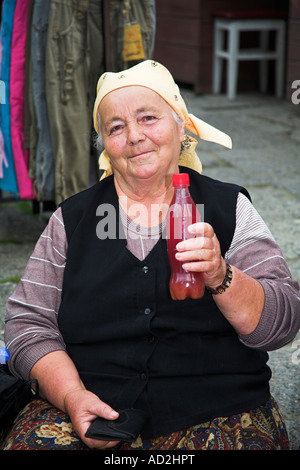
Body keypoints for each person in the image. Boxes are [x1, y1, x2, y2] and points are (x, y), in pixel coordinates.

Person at [1, 60, 300, 451]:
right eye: (116, 127)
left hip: (217, 408)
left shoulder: (229, 208)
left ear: (181, 126)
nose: (135, 136)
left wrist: (221, 275)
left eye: (148, 118)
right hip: (89, 407)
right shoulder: (71, 220)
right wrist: (72, 395)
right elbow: (27, 324)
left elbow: (282, 324)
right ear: (105, 145)